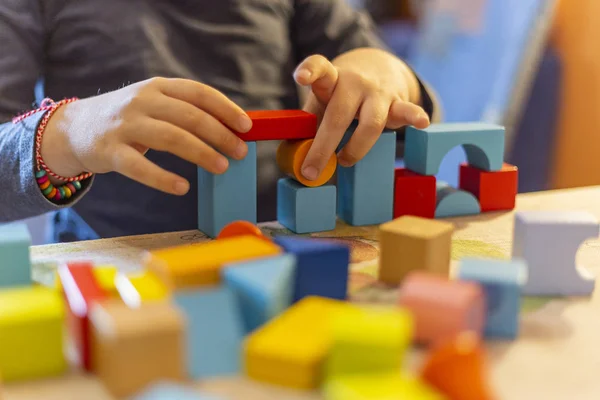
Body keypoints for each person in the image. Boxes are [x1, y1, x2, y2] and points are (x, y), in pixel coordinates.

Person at [0, 0, 437, 242]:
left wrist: (385, 73)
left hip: (296, 241)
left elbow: (386, 76)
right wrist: (71, 132)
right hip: (117, 259)